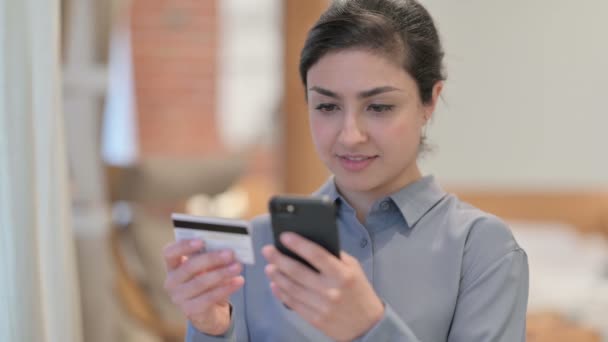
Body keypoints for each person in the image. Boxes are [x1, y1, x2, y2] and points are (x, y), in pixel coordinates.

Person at [162, 0, 529, 341]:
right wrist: (210, 330)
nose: (350, 136)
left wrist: (370, 326)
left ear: (429, 101)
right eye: (326, 107)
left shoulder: (482, 249)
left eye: (380, 107)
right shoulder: (257, 247)